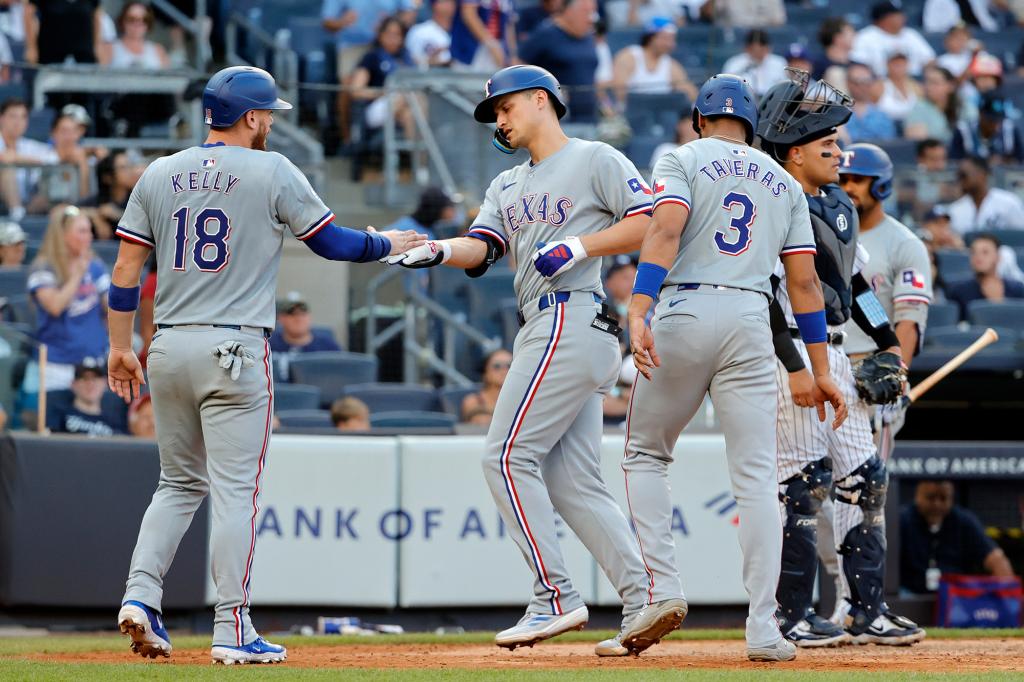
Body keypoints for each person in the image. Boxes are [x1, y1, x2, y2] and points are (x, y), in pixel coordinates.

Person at [107, 66, 424, 665]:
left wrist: (119, 346)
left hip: (167, 346)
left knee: (176, 484)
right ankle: (232, 628)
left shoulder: (159, 170)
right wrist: (389, 243)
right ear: (250, 116)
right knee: (235, 494)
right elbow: (331, 244)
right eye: (268, 113)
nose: (272, 121)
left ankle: (140, 596)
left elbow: (125, 275)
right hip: (233, 349)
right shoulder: (271, 168)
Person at [386, 65, 668, 657]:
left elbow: (651, 222)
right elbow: (482, 248)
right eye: (495, 114)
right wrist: (436, 250)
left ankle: (554, 596)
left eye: (506, 108)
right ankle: (646, 597)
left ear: (541, 100)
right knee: (574, 482)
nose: (500, 120)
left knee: (506, 457)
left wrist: (581, 244)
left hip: (571, 314)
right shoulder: (506, 185)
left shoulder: (595, 157)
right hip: (556, 326)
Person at [622, 73, 846, 663]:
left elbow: (665, 229)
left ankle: (662, 592)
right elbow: (803, 284)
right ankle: (764, 629)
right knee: (756, 478)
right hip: (751, 318)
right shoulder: (783, 180)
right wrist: (819, 369)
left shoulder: (683, 156)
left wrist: (639, 305)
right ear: (751, 125)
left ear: (700, 118)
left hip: (686, 306)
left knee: (645, 453)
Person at [758, 79, 925, 648]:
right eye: (828, 145)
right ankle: (791, 615)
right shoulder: (774, 200)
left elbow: (857, 285)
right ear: (796, 152)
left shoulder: (839, 204)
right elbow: (763, 300)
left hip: (834, 351)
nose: (838, 153)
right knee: (803, 485)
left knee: (865, 477)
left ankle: (866, 611)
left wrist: (887, 345)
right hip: (794, 360)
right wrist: (797, 365)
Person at [26, 205, 109, 391]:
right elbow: (55, 306)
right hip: (56, 366)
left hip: (93, 364)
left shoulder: (95, 265)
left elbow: (111, 306)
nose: (89, 237)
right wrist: (77, 276)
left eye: (89, 231)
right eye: (82, 231)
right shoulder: (43, 268)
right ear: (63, 234)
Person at [901, 480, 1016, 594]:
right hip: (911, 594)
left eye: (943, 498)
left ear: (951, 498)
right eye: (931, 498)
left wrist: (1006, 601)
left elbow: (997, 559)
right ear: (917, 496)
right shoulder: (902, 520)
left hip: (955, 597)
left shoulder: (963, 521)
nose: (937, 504)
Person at [518, 0, 599, 123]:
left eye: (593, 11)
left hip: (588, 116)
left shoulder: (589, 37)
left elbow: (590, 73)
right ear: (569, 11)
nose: (592, 18)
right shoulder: (545, 34)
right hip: (558, 117)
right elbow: (518, 66)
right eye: (586, 11)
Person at [349, 16, 416, 137]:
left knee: (409, 116)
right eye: (389, 33)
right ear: (380, 35)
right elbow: (356, 91)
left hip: (404, 106)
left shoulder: (407, 58)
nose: (392, 38)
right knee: (409, 97)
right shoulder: (372, 57)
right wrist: (383, 93)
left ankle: (418, 155)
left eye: (397, 34)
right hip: (377, 108)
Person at [610, 17, 698, 104]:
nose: (670, 44)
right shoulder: (629, 57)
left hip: (660, 115)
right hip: (632, 113)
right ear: (650, 38)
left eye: (672, 39)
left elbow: (691, 93)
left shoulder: (671, 65)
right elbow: (619, 91)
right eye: (665, 39)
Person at [0, 97, 58, 220]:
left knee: (52, 178)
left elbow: (54, 159)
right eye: (13, 116)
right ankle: (17, 215)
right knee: (7, 167)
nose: (18, 122)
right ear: (1, 118)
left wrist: (17, 157)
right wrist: (10, 158)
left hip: (28, 205)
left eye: (23, 117)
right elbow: (5, 158)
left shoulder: (29, 145)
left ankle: (23, 216)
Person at [946, 233, 1024, 319]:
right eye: (973, 252)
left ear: (998, 257)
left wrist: (998, 302)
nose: (978, 257)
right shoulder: (958, 291)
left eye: (985, 252)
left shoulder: (1017, 289)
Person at [850, 1, 935, 79]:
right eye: (897, 15)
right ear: (883, 18)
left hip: (912, 82)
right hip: (880, 81)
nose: (903, 17)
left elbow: (930, 60)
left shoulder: (910, 34)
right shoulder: (865, 37)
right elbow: (858, 66)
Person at [269, 292, 342, 381]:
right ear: (280, 318)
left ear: (309, 316)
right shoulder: (268, 345)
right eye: (291, 313)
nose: (298, 318)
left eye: (303, 313)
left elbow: (342, 378)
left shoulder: (329, 347)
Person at [946, 156, 1024, 234]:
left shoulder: (1008, 203)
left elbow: (1020, 237)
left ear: (982, 174)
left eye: (964, 175)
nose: (961, 180)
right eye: (959, 176)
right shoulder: (955, 209)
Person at [47, 361, 123, 436]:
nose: (90, 383)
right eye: (84, 378)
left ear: (105, 383)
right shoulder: (58, 417)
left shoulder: (115, 423)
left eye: (95, 378)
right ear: (73, 384)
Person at [951, 92, 1024, 165]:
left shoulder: (1010, 131)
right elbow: (954, 164)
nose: (996, 125)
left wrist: (1004, 162)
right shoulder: (963, 131)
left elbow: (1020, 162)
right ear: (980, 114)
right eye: (991, 120)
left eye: (999, 120)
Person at [88, 150, 146, 240]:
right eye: (123, 168)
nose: (130, 171)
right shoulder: (99, 200)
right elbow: (64, 211)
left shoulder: (139, 198)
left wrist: (118, 215)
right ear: (108, 178)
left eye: (130, 166)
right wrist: (93, 214)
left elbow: (147, 225)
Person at [24, 0, 102, 65]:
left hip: (84, 55)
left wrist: (97, 46)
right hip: (51, 56)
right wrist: (32, 47)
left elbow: (96, 16)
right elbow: (28, 13)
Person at [450, 0, 517, 71]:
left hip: (499, 49)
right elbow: (469, 14)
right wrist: (492, 45)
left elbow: (509, 25)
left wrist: (512, 55)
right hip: (470, 49)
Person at [721, 29, 787, 97]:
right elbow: (726, 88)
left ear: (769, 48)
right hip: (743, 101)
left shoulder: (779, 62)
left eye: (763, 47)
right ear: (747, 48)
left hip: (772, 102)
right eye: (754, 48)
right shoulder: (734, 63)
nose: (758, 51)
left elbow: (785, 89)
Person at [104, 2, 169, 69]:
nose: (138, 24)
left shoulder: (158, 50)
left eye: (144, 19)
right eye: (132, 19)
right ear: (122, 21)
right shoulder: (110, 49)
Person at [904, 66, 961, 143]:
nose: (928, 87)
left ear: (950, 86)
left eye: (935, 83)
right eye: (927, 82)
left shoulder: (962, 106)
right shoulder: (919, 108)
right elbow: (918, 142)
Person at [843, 63, 897, 143]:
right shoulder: (836, 113)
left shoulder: (882, 117)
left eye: (866, 82)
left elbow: (888, 145)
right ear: (848, 83)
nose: (861, 86)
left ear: (871, 83)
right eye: (856, 82)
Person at [459, 347, 511, 424]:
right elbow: (480, 421)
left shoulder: (523, 399)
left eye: (509, 366)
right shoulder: (473, 401)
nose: (504, 370)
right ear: (485, 373)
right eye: (497, 366)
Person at [406, 0, 455, 68]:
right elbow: (410, 62)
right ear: (434, 4)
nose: (449, 4)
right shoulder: (418, 31)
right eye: (444, 1)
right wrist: (431, 61)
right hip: (428, 77)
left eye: (452, 1)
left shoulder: (464, 33)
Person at [877, 52, 920, 124]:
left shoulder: (916, 87)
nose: (899, 67)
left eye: (902, 64)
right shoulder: (879, 86)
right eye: (896, 64)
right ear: (888, 65)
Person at [813, 17, 855, 83]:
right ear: (837, 38)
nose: (854, 36)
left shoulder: (857, 65)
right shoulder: (817, 66)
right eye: (850, 33)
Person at [924, 0, 1001, 33]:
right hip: (954, 37)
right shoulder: (937, 2)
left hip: (981, 34)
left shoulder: (976, 1)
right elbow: (931, 28)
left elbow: (989, 24)